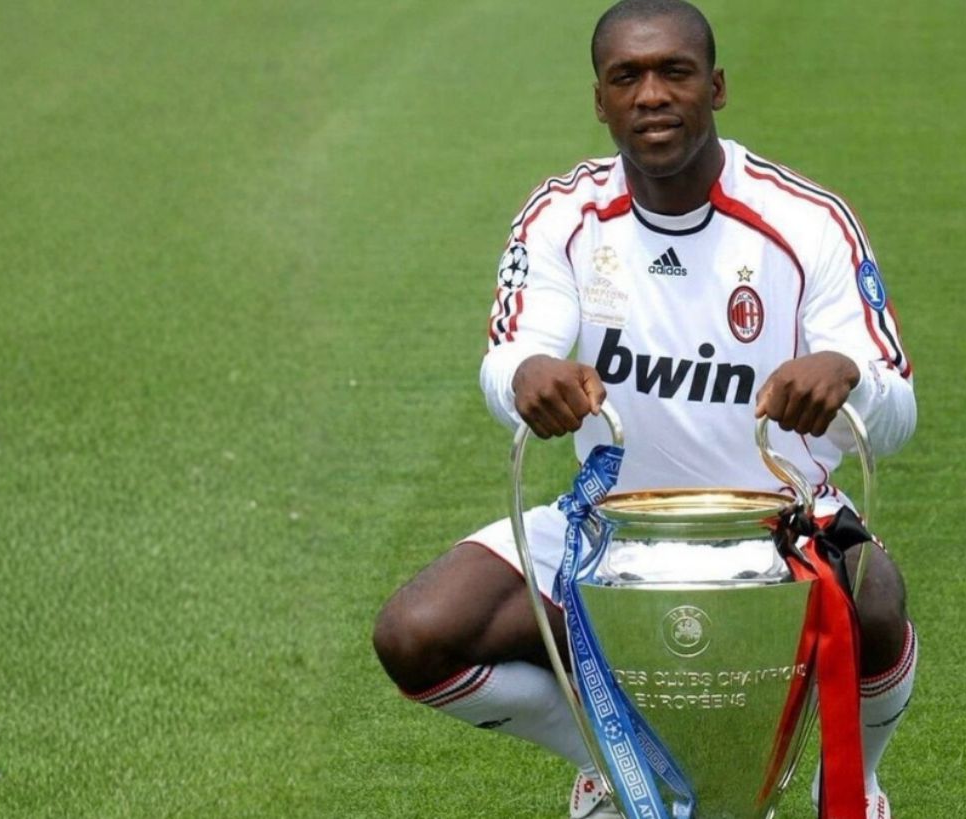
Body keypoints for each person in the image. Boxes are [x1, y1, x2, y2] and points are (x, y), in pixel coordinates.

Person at [372, 1, 917, 816]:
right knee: (415, 632)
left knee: (874, 595)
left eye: (675, 72)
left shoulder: (807, 222)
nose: (652, 95)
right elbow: (510, 358)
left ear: (716, 87)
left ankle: (853, 783)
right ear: (600, 100)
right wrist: (529, 376)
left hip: (780, 527)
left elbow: (897, 411)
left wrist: (847, 378)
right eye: (627, 77)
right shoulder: (563, 215)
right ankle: (618, 760)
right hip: (611, 529)